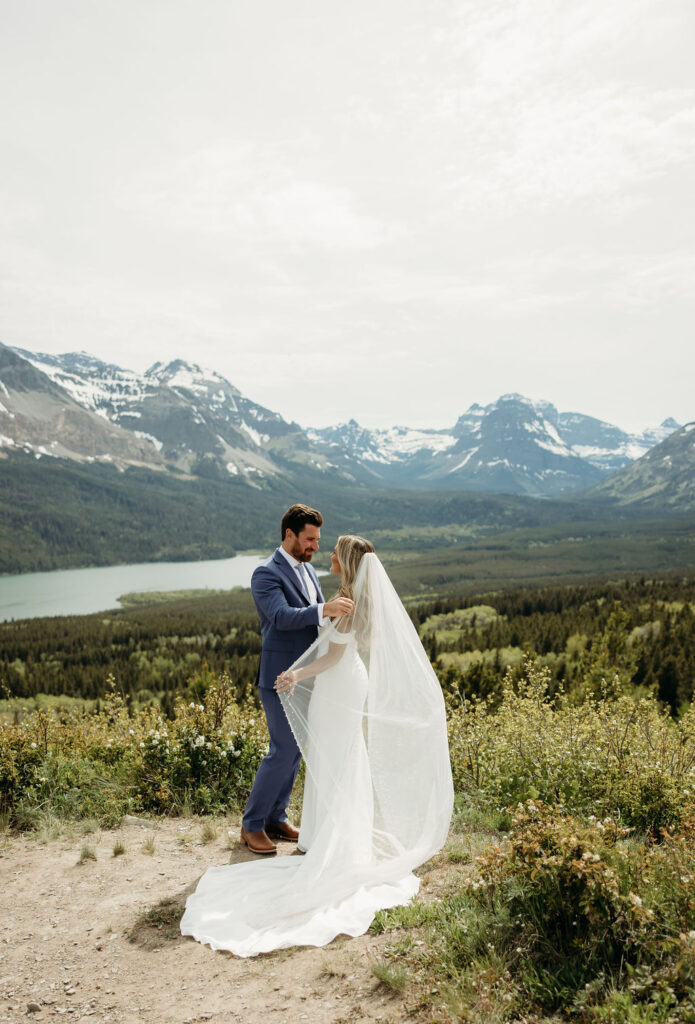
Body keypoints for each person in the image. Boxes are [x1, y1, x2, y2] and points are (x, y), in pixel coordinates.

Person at [180, 534, 453, 957]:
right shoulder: (343, 595)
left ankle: (330, 840)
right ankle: (323, 834)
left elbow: (334, 658)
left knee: (337, 762)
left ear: (345, 560)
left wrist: (295, 675)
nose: (324, 553)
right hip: (339, 685)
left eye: (331, 549)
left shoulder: (346, 602)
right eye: (315, 541)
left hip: (339, 686)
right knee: (335, 760)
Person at [240, 504, 354, 855]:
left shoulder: (308, 572)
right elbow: (281, 616)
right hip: (279, 677)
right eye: (309, 539)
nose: (315, 546)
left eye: (318, 540)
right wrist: (325, 609)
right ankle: (252, 824)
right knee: (283, 749)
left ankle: (277, 816)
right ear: (289, 535)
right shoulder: (265, 574)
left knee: (298, 751)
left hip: (308, 675)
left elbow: (317, 624)